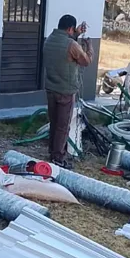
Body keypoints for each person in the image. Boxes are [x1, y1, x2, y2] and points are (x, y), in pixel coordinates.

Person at [42, 14, 93, 168]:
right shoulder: (72, 44)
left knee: (54, 122)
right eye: (73, 30)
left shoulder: (49, 40)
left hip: (51, 88)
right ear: (70, 28)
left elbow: (65, 48)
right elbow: (86, 61)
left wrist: (76, 34)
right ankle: (58, 157)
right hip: (66, 90)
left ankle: (52, 150)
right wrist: (89, 46)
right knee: (63, 125)